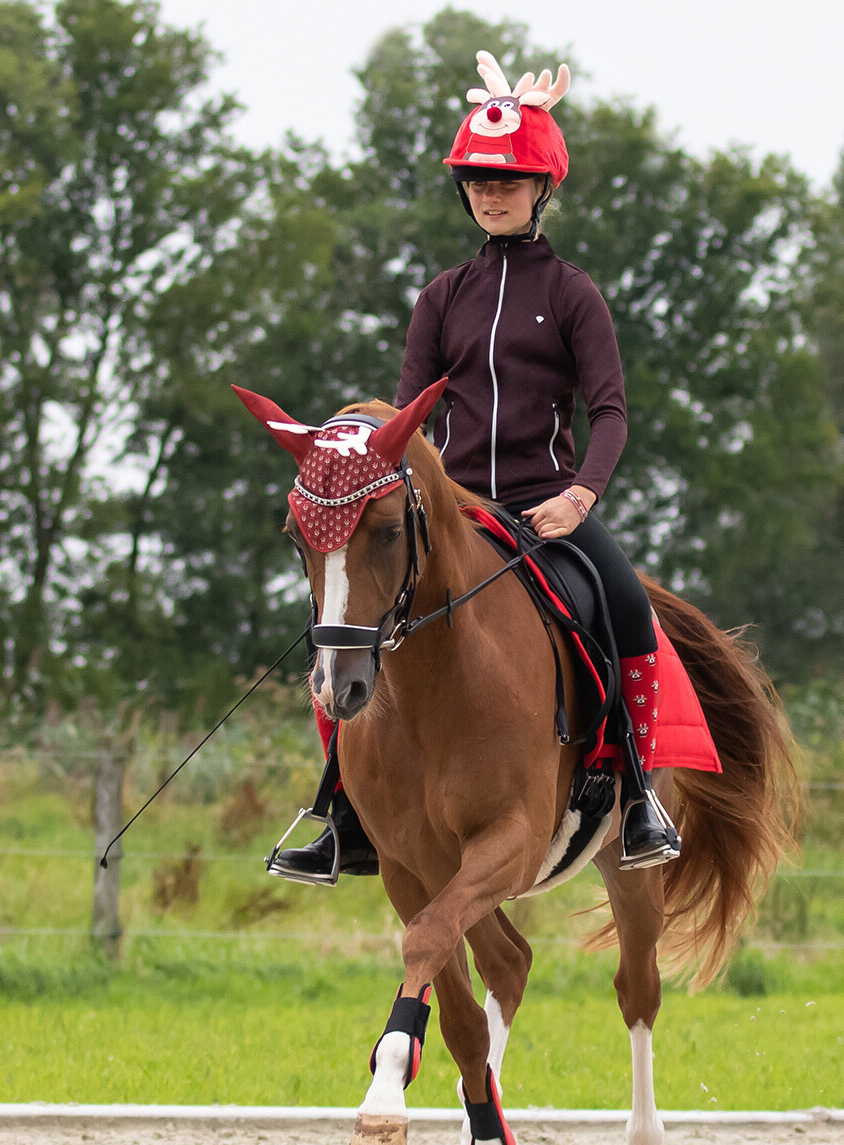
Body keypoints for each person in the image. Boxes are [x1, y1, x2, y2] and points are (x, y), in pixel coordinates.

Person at [273, 50, 680, 882]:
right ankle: (339, 811)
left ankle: (639, 796)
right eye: (480, 183)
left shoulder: (574, 294)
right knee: (347, 628)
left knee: (630, 611)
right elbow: (407, 421)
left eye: (510, 182)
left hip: (547, 509)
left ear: (541, 190)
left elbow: (609, 413)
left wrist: (580, 497)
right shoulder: (441, 297)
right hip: (453, 509)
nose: (493, 195)